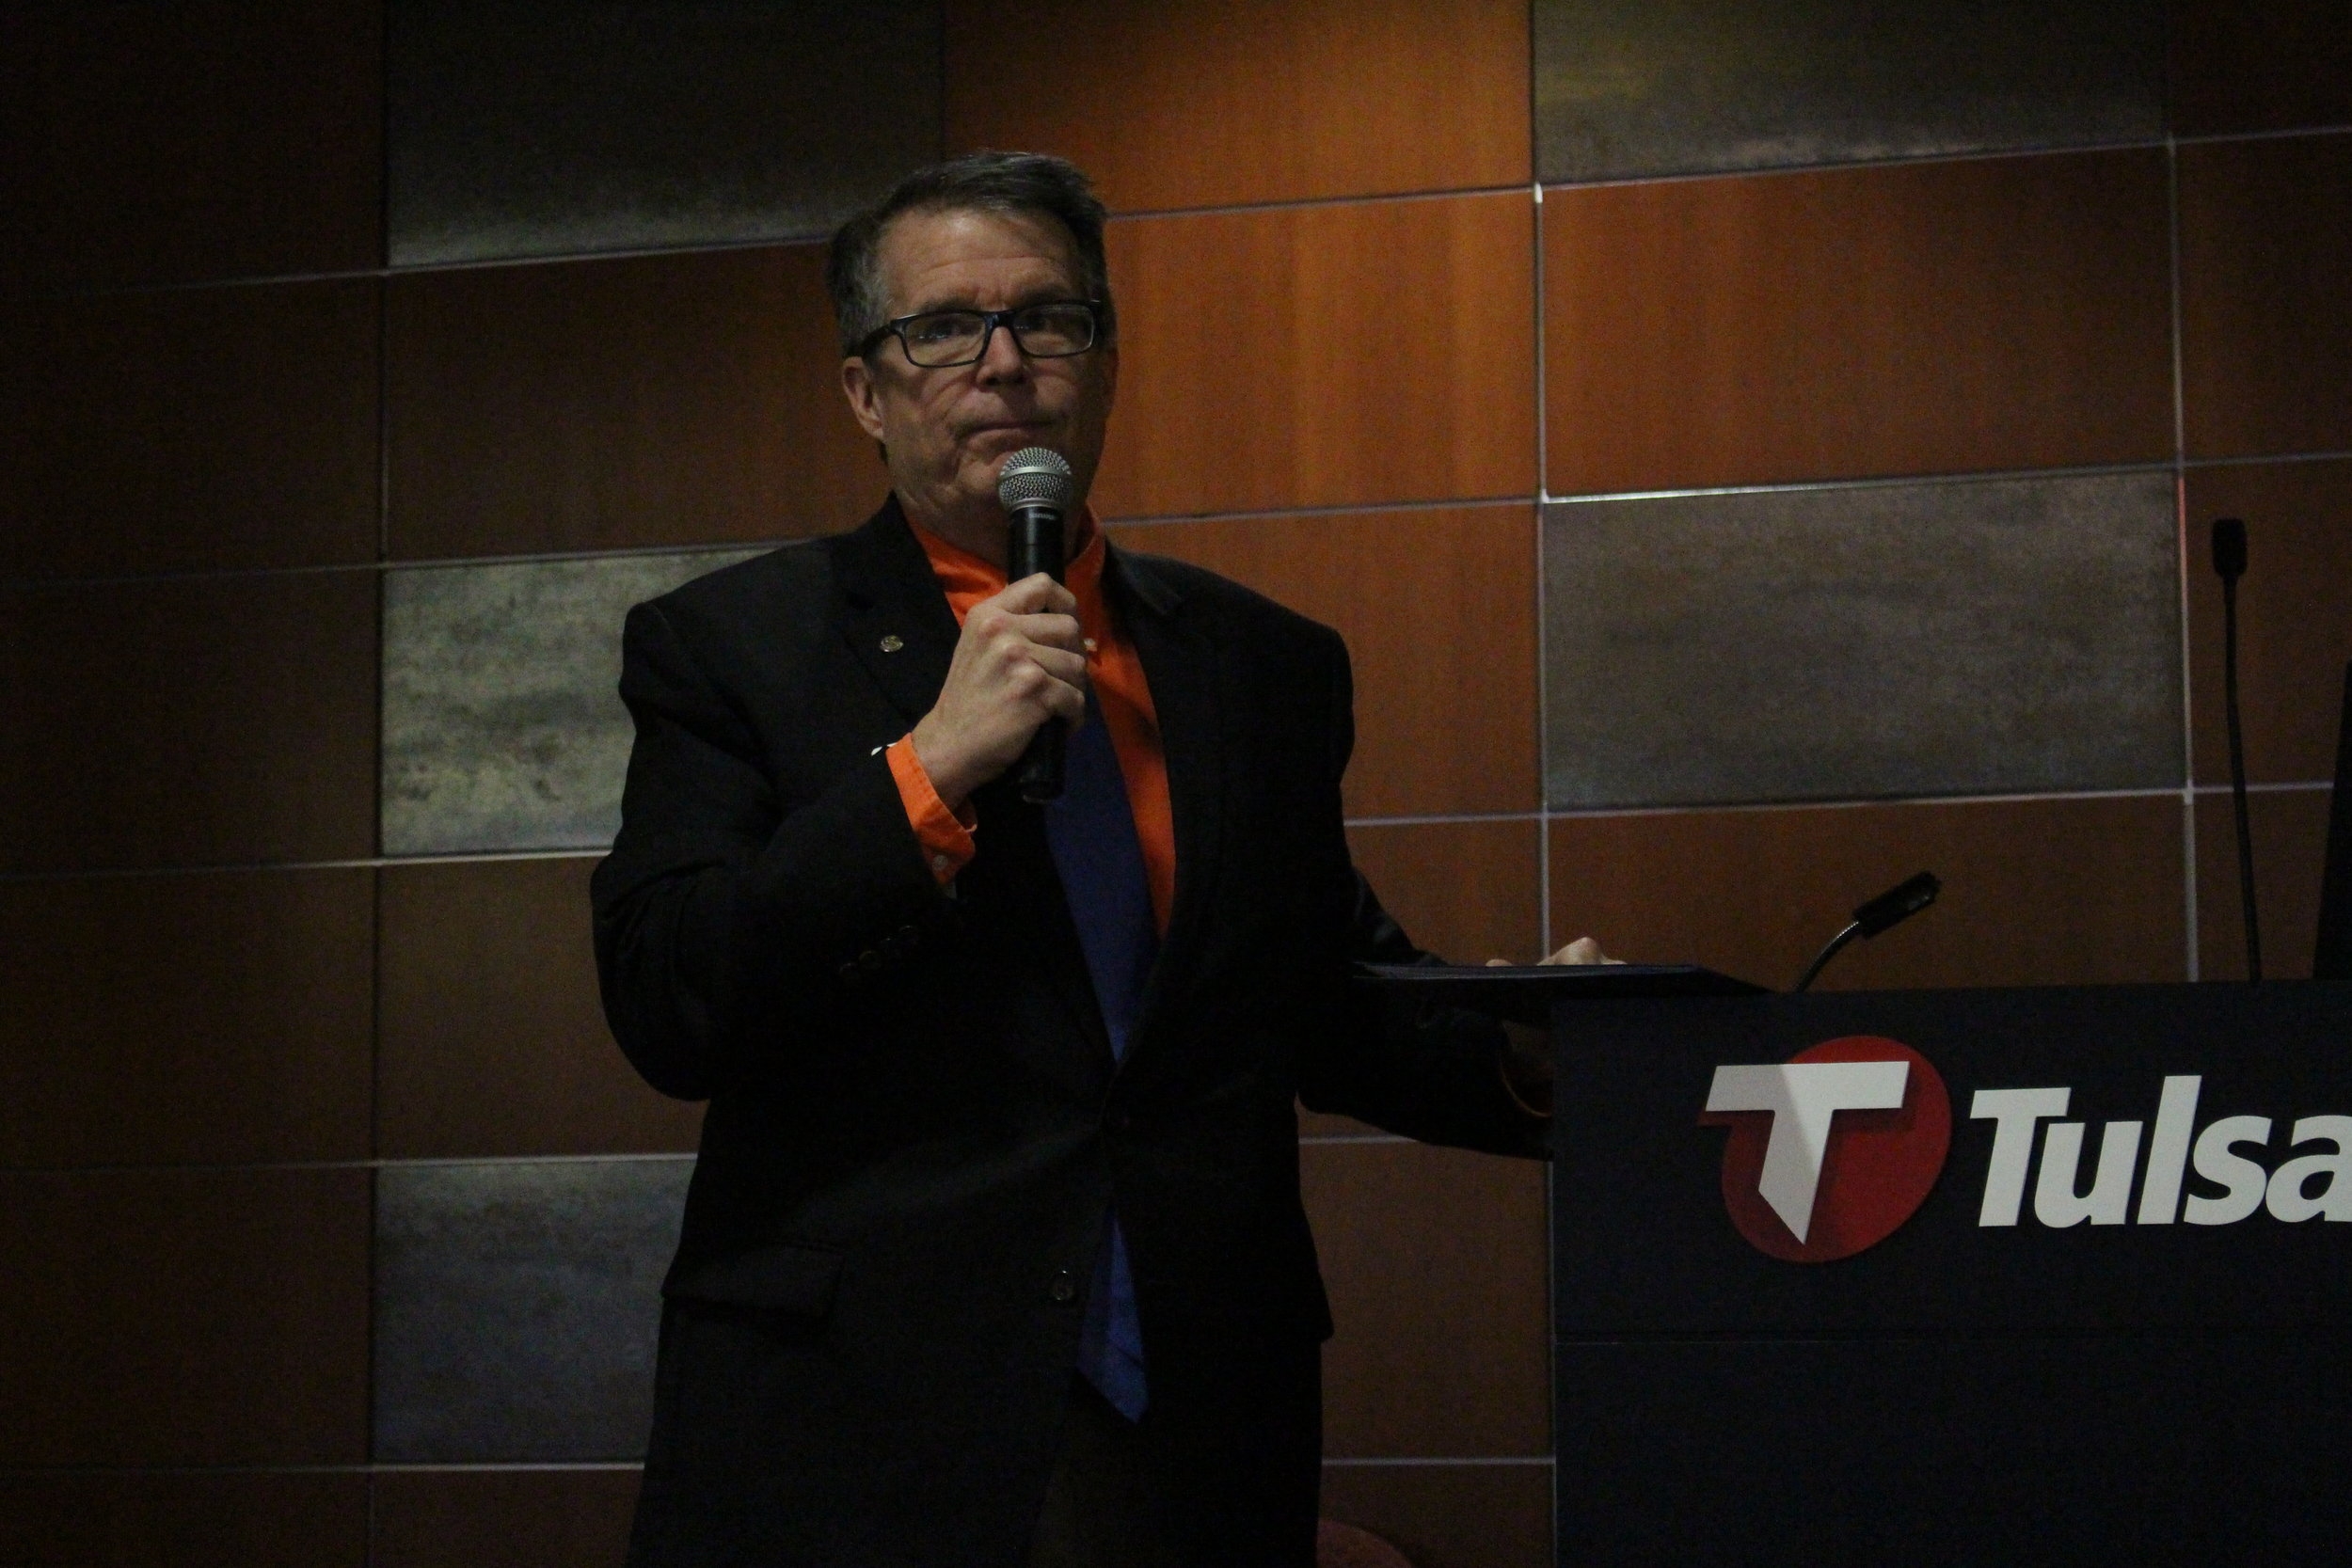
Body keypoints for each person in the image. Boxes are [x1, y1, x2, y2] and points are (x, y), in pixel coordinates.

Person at [592, 150, 1595, 1568]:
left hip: (1193, 1414)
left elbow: (1309, 997)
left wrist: (1523, 1047)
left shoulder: (1262, 665)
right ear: (865, 394)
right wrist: (929, 772)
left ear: (1104, 366)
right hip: (861, 1422)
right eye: (944, 328)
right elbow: (671, 995)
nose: (1003, 363)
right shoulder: (734, 649)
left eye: (1047, 320)